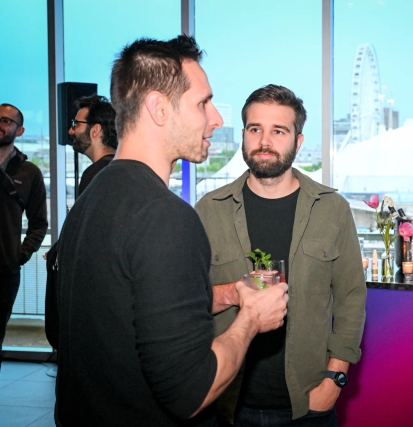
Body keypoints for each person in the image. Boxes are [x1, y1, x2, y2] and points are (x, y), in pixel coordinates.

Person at [55, 36, 288, 426]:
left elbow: (130, 310)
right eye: (202, 103)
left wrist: (232, 293)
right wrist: (251, 317)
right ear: (159, 108)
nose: (215, 118)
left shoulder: (94, 196)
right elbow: (189, 393)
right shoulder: (165, 216)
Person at [195, 84, 366, 427]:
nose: (264, 141)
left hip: (307, 406)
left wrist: (335, 380)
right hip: (225, 403)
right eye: (255, 129)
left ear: (298, 141)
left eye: (279, 131)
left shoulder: (332, 209)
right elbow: (185, 301)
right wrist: (233, 292)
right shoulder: (208, 211)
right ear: (243, 135)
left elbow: (350, 299)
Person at [45, 94, 118, 352]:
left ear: (95, 130)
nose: (71, 130)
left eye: (76, 124)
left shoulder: (97, 174)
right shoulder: (113, 170)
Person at [0, 103, 47, 370]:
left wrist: (19, 255)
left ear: (20, 130)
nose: (0, 124)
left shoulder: (29, 173)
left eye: (7, 121)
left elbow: (39, 223)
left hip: (4, 272)